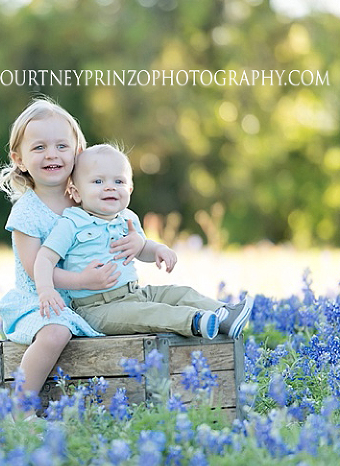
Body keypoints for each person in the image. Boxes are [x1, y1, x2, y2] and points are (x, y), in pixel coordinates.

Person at [0, 102, 145, 398]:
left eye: (61, 145)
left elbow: (120, 228)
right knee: (56, 333)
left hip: (87, 301)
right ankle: (18, 407)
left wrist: (137, 243)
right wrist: (83, 281)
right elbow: (35, 269)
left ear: (77, 152)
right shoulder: (27, 212)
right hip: (38, 303)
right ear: (19, 159)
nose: (52, 154)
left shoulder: (86, 201)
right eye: (39, 148)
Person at [34, 144, 253, 340]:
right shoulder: (72, 223)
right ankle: (196, 321)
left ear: (129, 189)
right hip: (97, 307)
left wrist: (156, 248)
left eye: (118, 181)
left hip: (134, 293)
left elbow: (143, 251)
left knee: (178, 292)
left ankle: (225, 315)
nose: (110, 187)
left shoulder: (128, 219)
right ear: (76, 192)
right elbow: (44, 258)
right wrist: (46, 290)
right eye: (98, 181)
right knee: (151, 314)